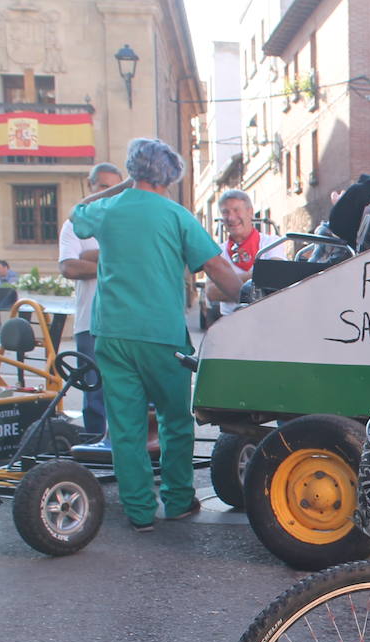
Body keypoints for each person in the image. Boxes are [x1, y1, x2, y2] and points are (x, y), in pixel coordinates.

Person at [69, 138, 243, 532]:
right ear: (169, 176)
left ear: (134, 170)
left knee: (126, 426)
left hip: (111, 333)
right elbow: (216, 267)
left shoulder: (107, 209)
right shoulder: (175, 215)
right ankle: (179, 500)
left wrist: (120, 186)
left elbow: (77, 215)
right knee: (174, 420)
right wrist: (246, 296)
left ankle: (138, 511)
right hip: (161, 333)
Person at [58, 162, 123, 435]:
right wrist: (112, 263)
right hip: (90, 324)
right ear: (90, 186)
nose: (108, 194)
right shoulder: (75, 225)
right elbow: (69, 267)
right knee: (94, 396)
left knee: (128, 395)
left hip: (126, 323)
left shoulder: (127, 223)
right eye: (103, 187)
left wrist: (91, 257)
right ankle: (96, 460)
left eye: (115, 189)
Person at [205, 189, 286, 317]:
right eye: (225, 212)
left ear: (250, 212)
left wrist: (225, 281)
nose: (231, 218)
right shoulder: (218, 251)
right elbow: (211, 292)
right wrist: (256, 277)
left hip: (266, 318)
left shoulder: (271, 242)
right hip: (230, 322)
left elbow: (275, 276)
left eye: (236, 210)